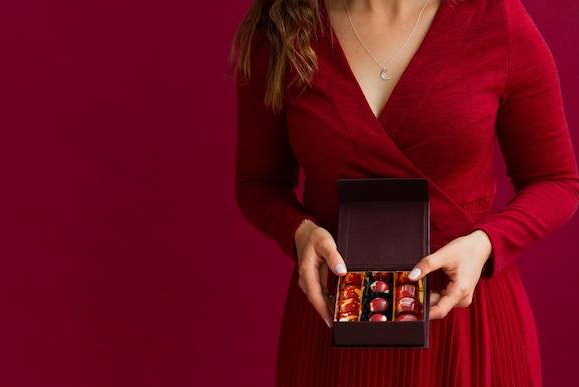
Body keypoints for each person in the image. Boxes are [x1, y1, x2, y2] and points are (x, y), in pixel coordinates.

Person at [232, 0, 579, 385]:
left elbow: (557, 180)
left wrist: (485, 246)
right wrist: (299, 232)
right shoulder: (281, 26)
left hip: (463, 316)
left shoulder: (495, 19)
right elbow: (257, 182)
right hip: (333, 319)